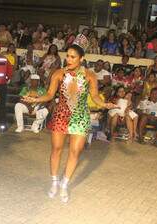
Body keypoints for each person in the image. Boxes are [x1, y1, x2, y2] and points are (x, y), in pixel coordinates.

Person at [23, 40, 117, 203]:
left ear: (81, 58)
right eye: (67, 56)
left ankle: (64, 184)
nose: (69, 59)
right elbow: (50, 95)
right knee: (56, 149)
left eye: (73, 57)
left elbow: (94, 96)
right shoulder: (58, 73)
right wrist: (35, 98)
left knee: (75, 152)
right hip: (61, 114)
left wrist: (104, 104)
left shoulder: (90, 75)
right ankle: (54, 182)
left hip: (80, 116)